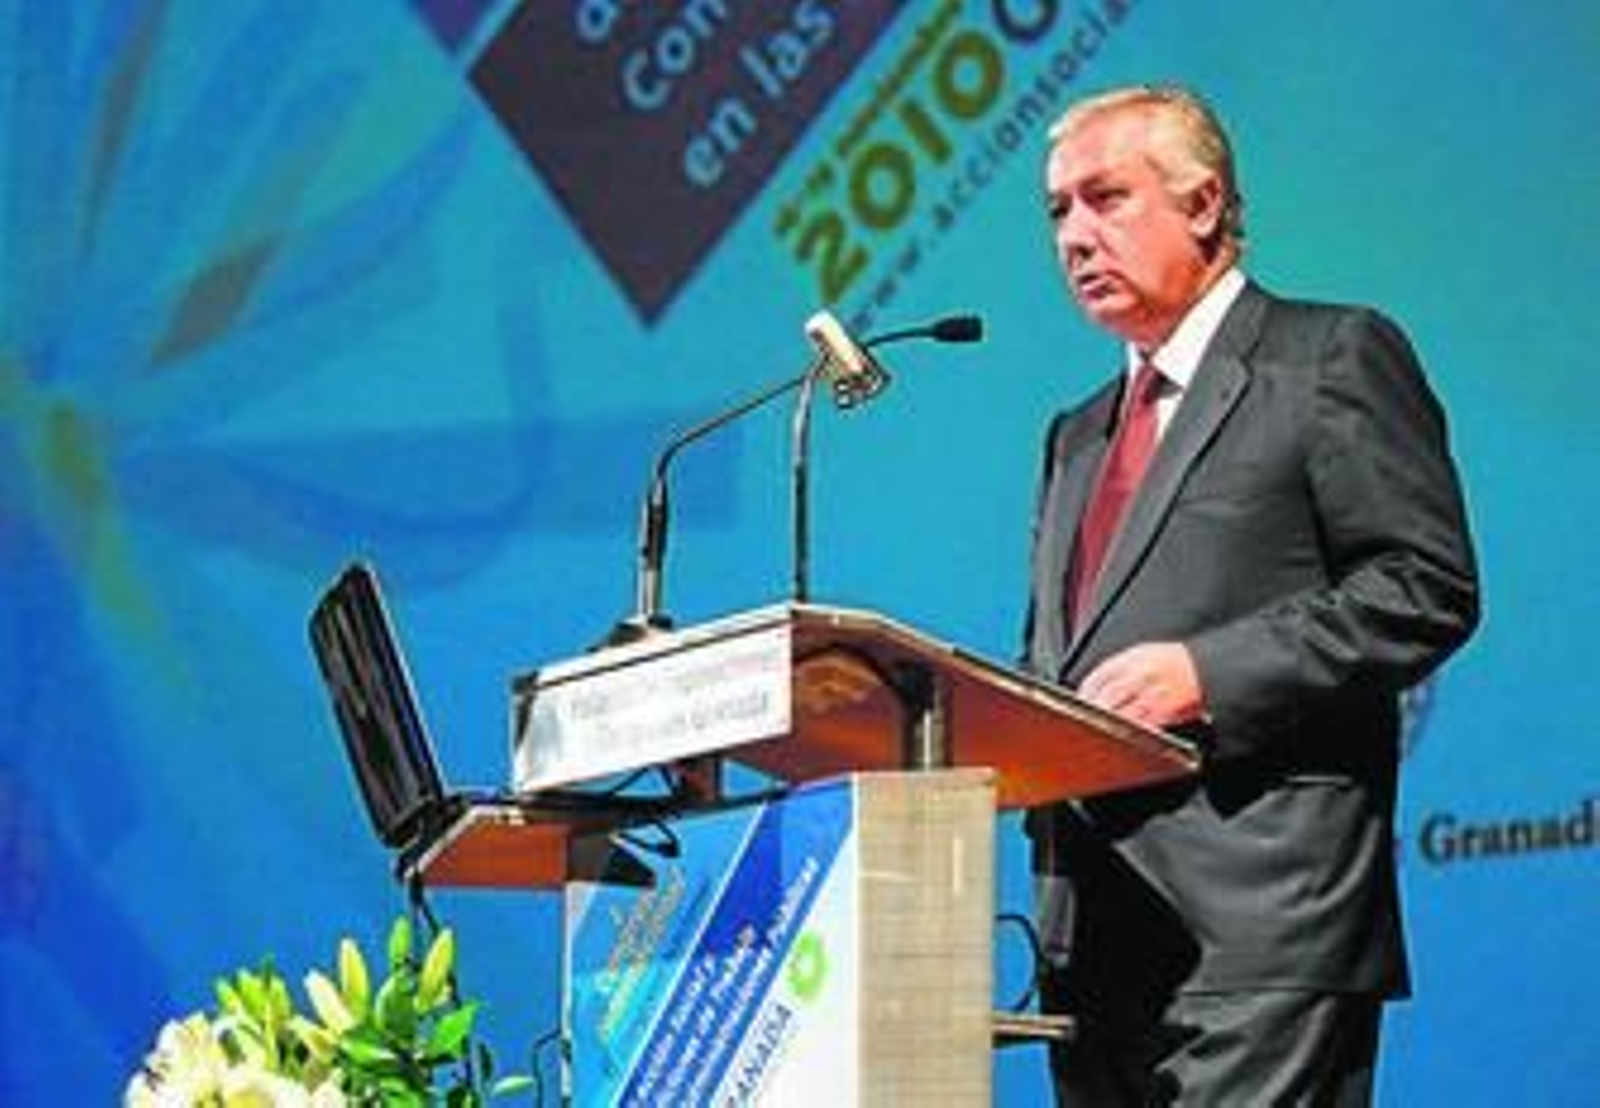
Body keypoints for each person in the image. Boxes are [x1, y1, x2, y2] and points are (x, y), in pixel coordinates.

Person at [1022, 85, 1480, 1105]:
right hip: (1091, 946)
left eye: (1104, 198)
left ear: (1201, 203)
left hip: (1262, 930)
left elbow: (1424, 586)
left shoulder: (1327, 357)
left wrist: (1208, 672)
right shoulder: (1076, 432)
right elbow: (1049, 660)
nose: (1075, 235)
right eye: (1057, 211)